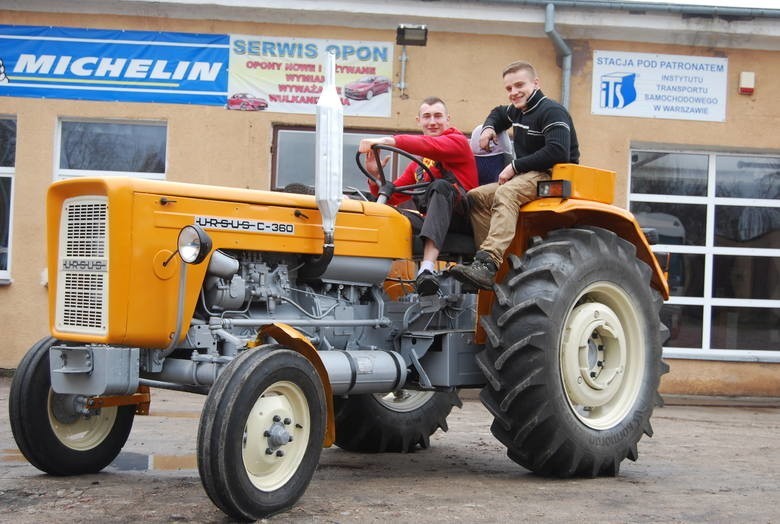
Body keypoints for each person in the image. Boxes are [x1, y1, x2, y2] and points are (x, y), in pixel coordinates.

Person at [450, 60, 580, 289]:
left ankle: (488, 262)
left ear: (536, 83)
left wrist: (514, 166)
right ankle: (485, 264)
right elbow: (499, 113)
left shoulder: (551, 111)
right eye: (509, 88)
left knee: (506, 193)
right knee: (475, 197)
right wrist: (490, 127)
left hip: (550, 174)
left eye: (519, 85)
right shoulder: (520, 110)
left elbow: (557, 151)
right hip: (527, 175)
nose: (514, 92)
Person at [359, 96, 478, 295]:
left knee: (441, 186)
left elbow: (429, 145)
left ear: (448, 119)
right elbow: (393, 195)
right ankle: (369, 277)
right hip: (435, 221)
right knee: (393, 216)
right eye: (427, 117)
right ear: (419, 121)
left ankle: (427, 269)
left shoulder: (457, 142)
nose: (432, 122)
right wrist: (375, 176)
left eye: (438, 116)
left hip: (463, 218)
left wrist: (389, 140)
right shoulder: (419, 166)